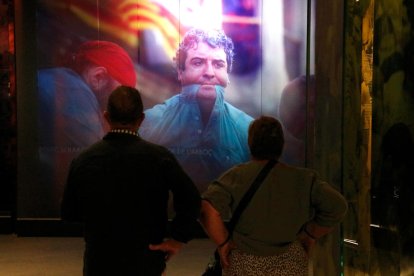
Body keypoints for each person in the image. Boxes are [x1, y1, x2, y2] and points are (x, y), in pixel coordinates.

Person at [61, 85, 201, 276]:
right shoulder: (160, 158)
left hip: (100, 261)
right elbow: (191, 200)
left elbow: (69, 213)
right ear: (141, 118)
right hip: (146, 260)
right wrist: (178, 238)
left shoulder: (84, 159)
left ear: (106, 117)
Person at [199, 116, 348, 275]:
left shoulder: (236, 176)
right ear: (281, 145)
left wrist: (223, 242)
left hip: (245, 261)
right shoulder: (304, 179)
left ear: (250, 143)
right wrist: (310, 234)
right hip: (290, 260)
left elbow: (207, 210)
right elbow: (338, 206)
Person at [139, 28, 254, 192]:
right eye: (198, 63)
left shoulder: (247, 131)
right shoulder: (149, 124)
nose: (209, 73)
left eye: (218, 64)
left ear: (227, 75)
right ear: (180, 72)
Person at [37, 40, 137, 216]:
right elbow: (98, 161)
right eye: (118, 97)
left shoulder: (61, 80)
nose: (118, 107)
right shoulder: (73, 89)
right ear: (98, 77)